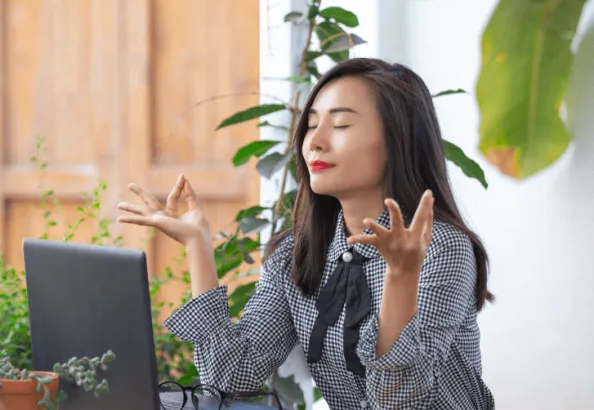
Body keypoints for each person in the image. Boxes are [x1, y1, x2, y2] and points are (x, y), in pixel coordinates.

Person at [117, 58, 495, 409]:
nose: (315, 140)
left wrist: (400, 278)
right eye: (312, 124)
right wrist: (197, 245)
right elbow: (232, 376)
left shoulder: (442, 247)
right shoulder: (297, 253)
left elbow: (400, 402)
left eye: (341, 125)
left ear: (397, 142)